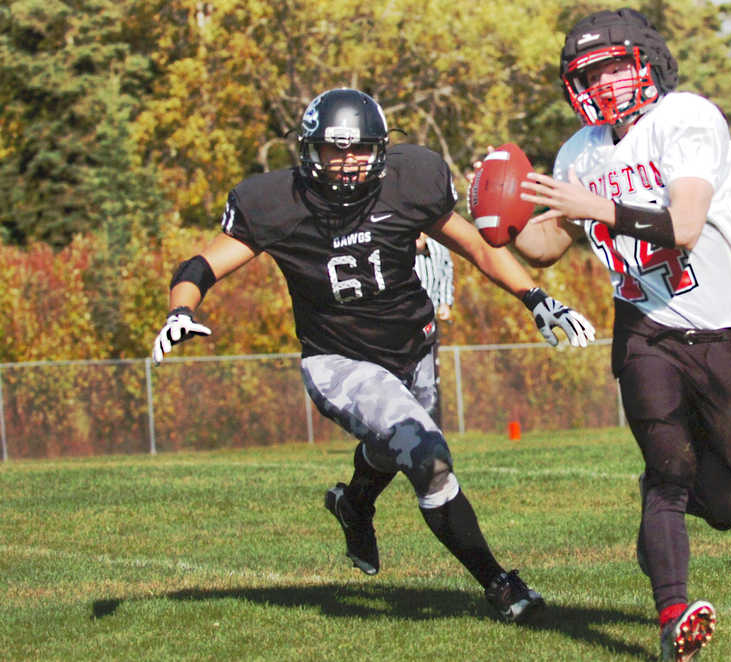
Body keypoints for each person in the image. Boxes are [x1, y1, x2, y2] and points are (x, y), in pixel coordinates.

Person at [150, 87, 595, 623]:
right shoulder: (275, 202)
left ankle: (354, 503)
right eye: (334, 151)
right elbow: (202, 265)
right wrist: (180, 309)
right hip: (339, 361)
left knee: (399, 448)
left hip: (414, 346)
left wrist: (536, 298)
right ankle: (499, 584)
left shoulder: (413, 178)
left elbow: (476, 244)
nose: (347, 164)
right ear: (308, 151)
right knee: (427, 458)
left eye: (359, 150)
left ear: (382, 149)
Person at [509, 9, 731, 661]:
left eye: (614, 67)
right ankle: (673, 615)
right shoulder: (580, 151)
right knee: (667, 470)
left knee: (723, 500)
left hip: (719, 326)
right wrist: (500, 216)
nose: (604, 85)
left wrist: (595, 208)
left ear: (647, 61)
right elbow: (545, 245)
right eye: (590, 74)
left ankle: (665, 521)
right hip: (644, 328)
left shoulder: (687, 118)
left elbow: (684, 225)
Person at [413, 232, 453, 426]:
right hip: (401, 321)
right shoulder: (398, 248)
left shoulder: (438, 248)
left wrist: (445, 303)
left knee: (429, 379)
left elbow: (447, 273)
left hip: (428, 320)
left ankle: (432, 428)